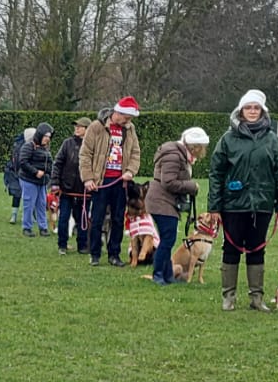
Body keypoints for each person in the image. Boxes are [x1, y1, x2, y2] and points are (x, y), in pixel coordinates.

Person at [207, 89, 278, 311]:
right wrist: (214, 206)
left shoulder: (273, 141)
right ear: (240, 111)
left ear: (262, 111)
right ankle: (228, 297)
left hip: (262, 204)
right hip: (233, 204)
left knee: (256, 249)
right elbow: (216, 173)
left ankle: (257, 298)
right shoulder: (227, 139)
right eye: (248, 107)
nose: (252, 111)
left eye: (256, 108)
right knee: (231, 248)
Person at [79, 97, 141, 266]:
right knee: (97, 219)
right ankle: (95, 254)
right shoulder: (96, 127)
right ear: (117, 113)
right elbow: (85, 154)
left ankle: (114, 254)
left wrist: (130, 171)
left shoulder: (130, 129)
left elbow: (135, 152)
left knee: (118, 219)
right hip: (100, 181)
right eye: (126, 118)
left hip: (120, 182)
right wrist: (88, 178)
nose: (128, 121)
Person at [146, 127, 208, 285]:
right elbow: (168, 182)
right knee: (167, 239)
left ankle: (167, 275)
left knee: (168, 239)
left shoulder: (178, 154)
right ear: (194, 147)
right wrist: (191, 186)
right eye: (202, 148)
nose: (203, 151)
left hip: (165, 201)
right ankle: (159, 274)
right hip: (161, 201)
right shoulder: (174, 155)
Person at [53, 117, 89, 255]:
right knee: (64, 218)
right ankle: (62, 245)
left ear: (87, 129)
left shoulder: (92, 145)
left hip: (84, 190)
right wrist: (55, 182)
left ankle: (82, 245)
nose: (77, 129)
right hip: (66, 189)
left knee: (82, 219)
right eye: (76, 126)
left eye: (80, 126)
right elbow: (58, 163)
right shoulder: (67, 143)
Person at [16, 124, 54, 237]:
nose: (47, 138)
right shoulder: (28, 146)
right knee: (29, 204)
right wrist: (35, 172)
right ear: (40, 135)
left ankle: (43, 228)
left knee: (42, 204)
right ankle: (27, 227)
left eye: (49, 136)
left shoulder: (45, 148)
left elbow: (49, 163)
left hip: (42, 181)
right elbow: (23, 162)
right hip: (29, 180)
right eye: (45, 136)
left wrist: (49, 174)